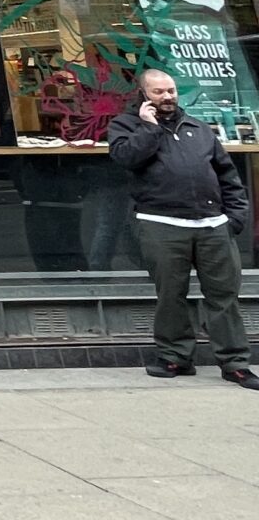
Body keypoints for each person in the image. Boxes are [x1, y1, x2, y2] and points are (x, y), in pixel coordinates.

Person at [108, 68, 257, 387]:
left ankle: (235, 363)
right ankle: (175, 357)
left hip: (213, 225)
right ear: (143, 94)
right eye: (158, 92)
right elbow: (125, 158)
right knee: (171, 295)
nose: (167, 97)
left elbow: (228, 175)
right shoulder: (126, 126)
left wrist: (235, 218)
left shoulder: (198, 128)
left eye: (171, 91)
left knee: (224, 296)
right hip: (162, 224)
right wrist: (148, 128)